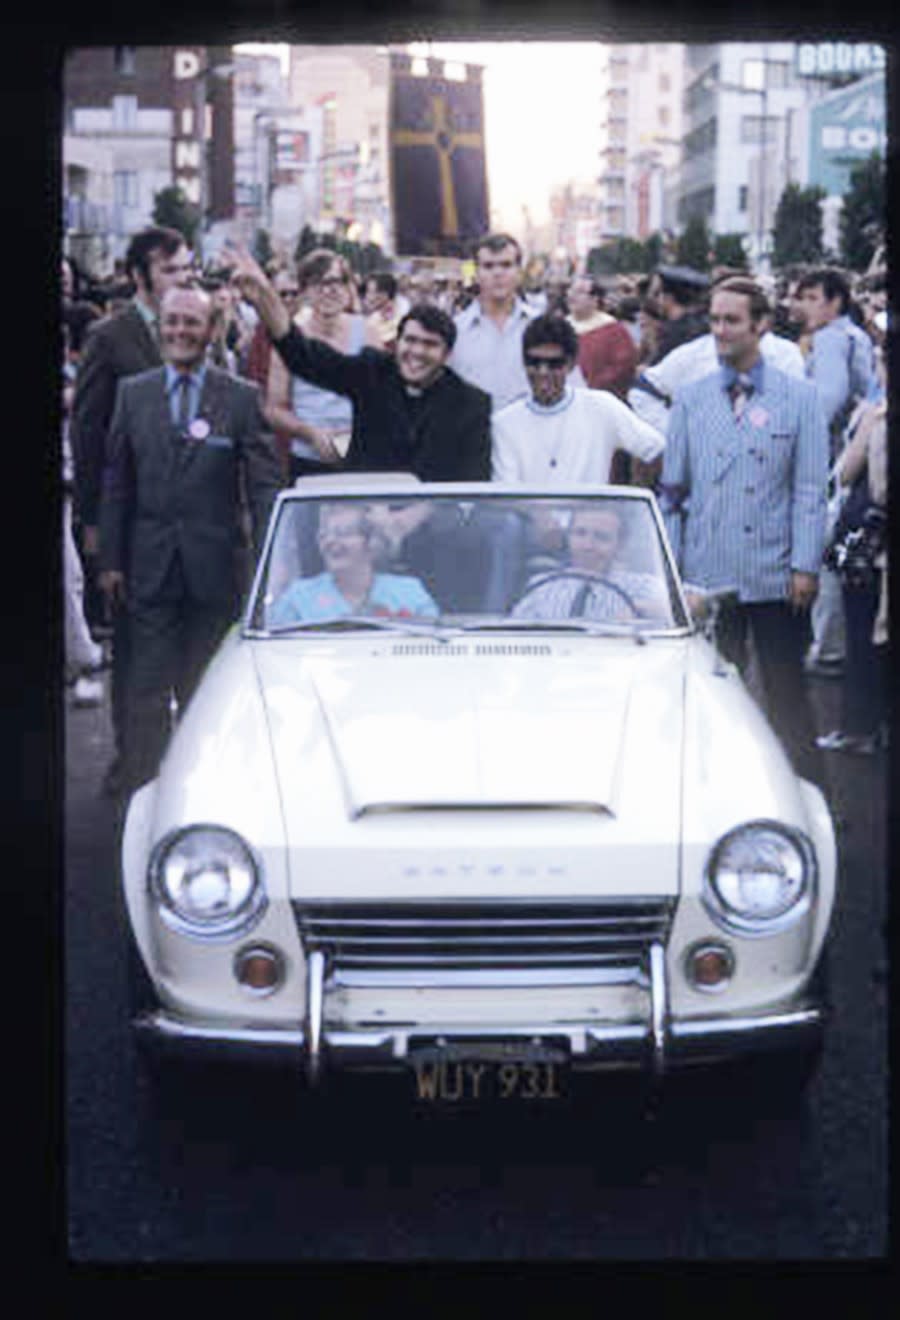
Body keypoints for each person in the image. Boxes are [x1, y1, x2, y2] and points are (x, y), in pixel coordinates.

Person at [98, 285, 282, 793]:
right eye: (172, 322)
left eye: (191, 323)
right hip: (148, 567)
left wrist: (273, 564)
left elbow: (264, 487)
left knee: (207, 694)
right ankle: (143, 797)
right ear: (160, 327)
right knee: (146, 693)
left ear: (210, 330)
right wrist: (110, 560)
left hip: (216, 571)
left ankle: (206, 795)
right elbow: (117, 481)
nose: (180, 331)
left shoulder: (240, 397)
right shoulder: (133, 393)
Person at [660, 276, 829, 788]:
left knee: (786, 693)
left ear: (762, 325)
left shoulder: (800, 398)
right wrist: (675, 574)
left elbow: (809, 490)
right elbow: (673, 494)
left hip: (775, 571)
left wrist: (805, 564)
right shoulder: (690, 399)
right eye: (714, 320)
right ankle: (714, 793)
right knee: (712, 695)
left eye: (732, 320)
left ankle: (809, 797)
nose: (720, 331)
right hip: (709, 576)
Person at [68, 224, 194, 795]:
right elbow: (88, 431)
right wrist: (94, 523)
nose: (182, 279)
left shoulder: (200, 324)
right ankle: (133, 771)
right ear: (140, 276)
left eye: (186, 267)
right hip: (131, 517)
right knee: (136, 652)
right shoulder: (109, 337)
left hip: (193, 518)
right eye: (170, 270)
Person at [223, 242, 492, 482]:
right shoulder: (373, 372)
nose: (417, 352)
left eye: (430, 344)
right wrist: (264, 296)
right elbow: (302, 355)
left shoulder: (470, 404)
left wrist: (415, 515)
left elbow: (469, 485)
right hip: (362, 516)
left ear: (447, 355)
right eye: (410, 341)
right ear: (397, 344)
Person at [797, 266, 876, 679]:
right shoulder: (854, 336)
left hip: (837, 459)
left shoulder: (830, 339)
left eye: (812, 298)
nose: (803, 306)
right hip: (856, 457)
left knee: (826, 556)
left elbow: (827, 402)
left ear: (835, 301)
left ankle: (827, 648)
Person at [491, 314, 664, 484]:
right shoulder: (504, 424)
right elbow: (508, 495)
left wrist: (639, 489)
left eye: (554, 364)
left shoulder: (602, 407)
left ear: (571, 364)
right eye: (534, 362)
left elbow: (656, 449)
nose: (543, 372)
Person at [262, 250, 381, 479]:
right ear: (305, 292)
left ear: (348, 289)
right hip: (310, 458)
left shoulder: (368, 332)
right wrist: (311, 434)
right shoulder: (291, 339)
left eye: (336, 282)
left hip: (360, 457)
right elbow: (273, 408)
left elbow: (383, 396)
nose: (328, 291)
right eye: (318, 283)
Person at [268, 504, 438, 626]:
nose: (330, 541)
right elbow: (273, 651)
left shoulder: (409, 592)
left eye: (343, 533)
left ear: (373, 543)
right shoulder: (298, 596)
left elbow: (433, 641)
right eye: (324, 535)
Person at [511, 504, 670, 623]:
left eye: (601, 537)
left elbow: (689, 603)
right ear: (568, 537)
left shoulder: (641, 586)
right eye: (580, 533)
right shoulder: (542, 585)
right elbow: (515, 635)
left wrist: (640, 607)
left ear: (619, 545)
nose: (588, 546)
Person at [449, 232, 539, 409]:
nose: (497, 273)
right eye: (488, 266)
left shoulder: (541, 327)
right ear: (476, 272)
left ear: (519, 271)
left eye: (506, 265)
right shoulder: (454, 330)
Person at [644, 264, 710, 364]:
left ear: (668, 297)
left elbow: (657, 371)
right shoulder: (702, 324)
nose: (656, 301)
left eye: (657, 294)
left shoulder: (677, 333)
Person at [362, 271, 402, 351]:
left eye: (374, 292)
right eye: (368, 292)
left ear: (386, 293)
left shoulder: (396, 318)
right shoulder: (372, 316)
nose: (369, 297)